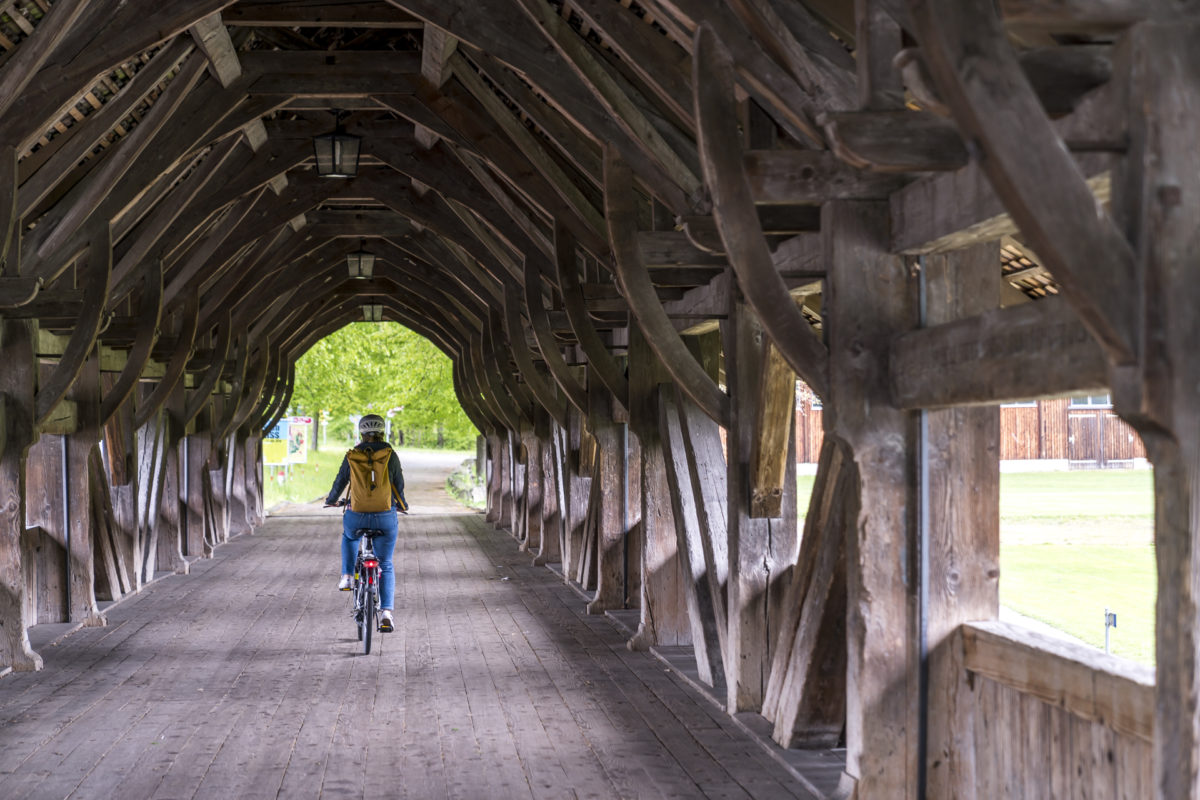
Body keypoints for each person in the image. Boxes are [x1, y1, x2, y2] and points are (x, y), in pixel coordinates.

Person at [325, 414, 407, 632]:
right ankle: (386, 613)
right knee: (386, 563)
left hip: (357, 514)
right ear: (383, 431)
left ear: (361, 432)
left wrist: (331, 500)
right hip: (385, 516)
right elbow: (398, 484)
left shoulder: (353, 455)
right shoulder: (390, 454)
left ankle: (347, 577)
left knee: (350, 536)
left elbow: (340, 480)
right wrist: (402, 505)